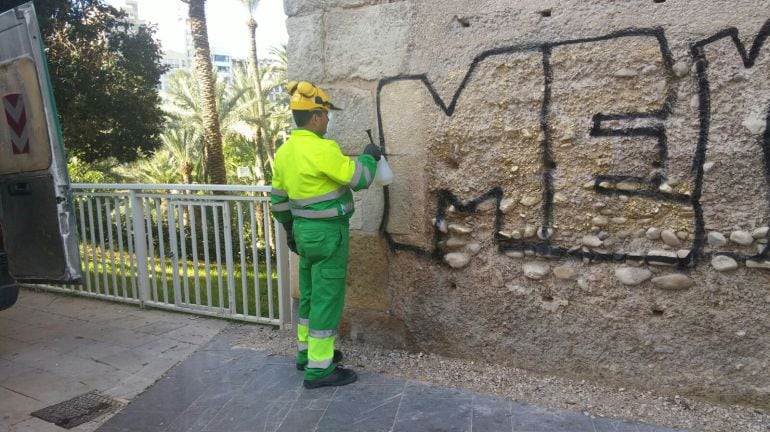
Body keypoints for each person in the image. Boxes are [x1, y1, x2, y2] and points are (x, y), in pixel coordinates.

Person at [270, 81, 382, 389]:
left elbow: (277, 200)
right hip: (329, 235)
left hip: (303, 234)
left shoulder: (285, 152)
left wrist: (290, 229)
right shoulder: (322, 148)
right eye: (327, 115)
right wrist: (370, 156)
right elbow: (358, 178)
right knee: (326, 299)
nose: (329, 120)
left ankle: (307, 354)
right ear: (316, 116)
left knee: (308, 294)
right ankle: (320, 370)